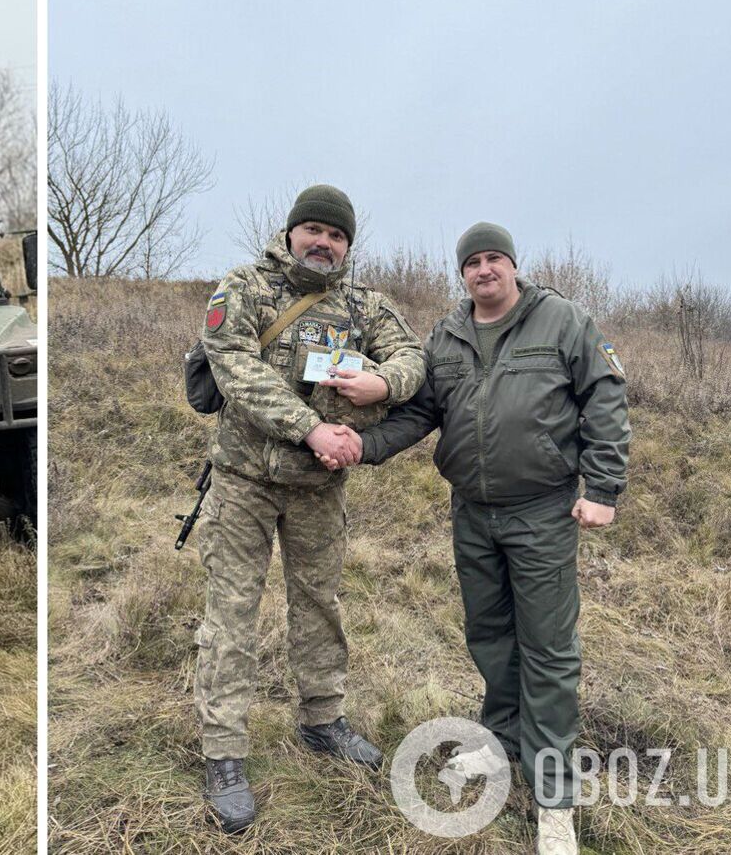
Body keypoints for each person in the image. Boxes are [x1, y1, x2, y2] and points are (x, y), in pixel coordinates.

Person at [351, 222, 628, 855]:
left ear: (512, 264)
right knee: (491, 635)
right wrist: (361, 446)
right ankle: (503, 741)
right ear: (462, 274)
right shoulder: (447, 335)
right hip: (473, 513)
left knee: (548, 649)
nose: (484, 270)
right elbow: (422, 412)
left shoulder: (561, 320)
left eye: (494, 258)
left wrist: (604, 487)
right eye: (472, 262)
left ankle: (554, 796)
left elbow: (606, 395)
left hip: (542, 511)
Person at [192, 184, 426, 832]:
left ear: (348, 245)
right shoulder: (243, 287)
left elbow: (413, 359)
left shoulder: (366, 305)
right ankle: (224, 753)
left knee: (321, 604)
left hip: (320, 488)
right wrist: (311, 428)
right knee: (231, 613)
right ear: (291, 232)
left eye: (337, 235)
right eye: (314, 230)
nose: (323, 242)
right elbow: (235, 367)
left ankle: (323, 720)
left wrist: (383, 381)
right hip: (243, 482)